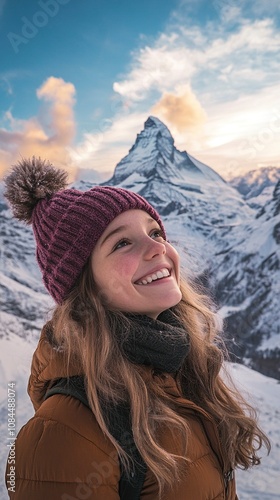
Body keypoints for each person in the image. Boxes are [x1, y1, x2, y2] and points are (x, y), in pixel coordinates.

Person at [4, 157, 270, 500]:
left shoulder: (182, 366)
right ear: (86, 287)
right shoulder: (64, 434)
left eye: (155, 232)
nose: (158, 247)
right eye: (122, 243)